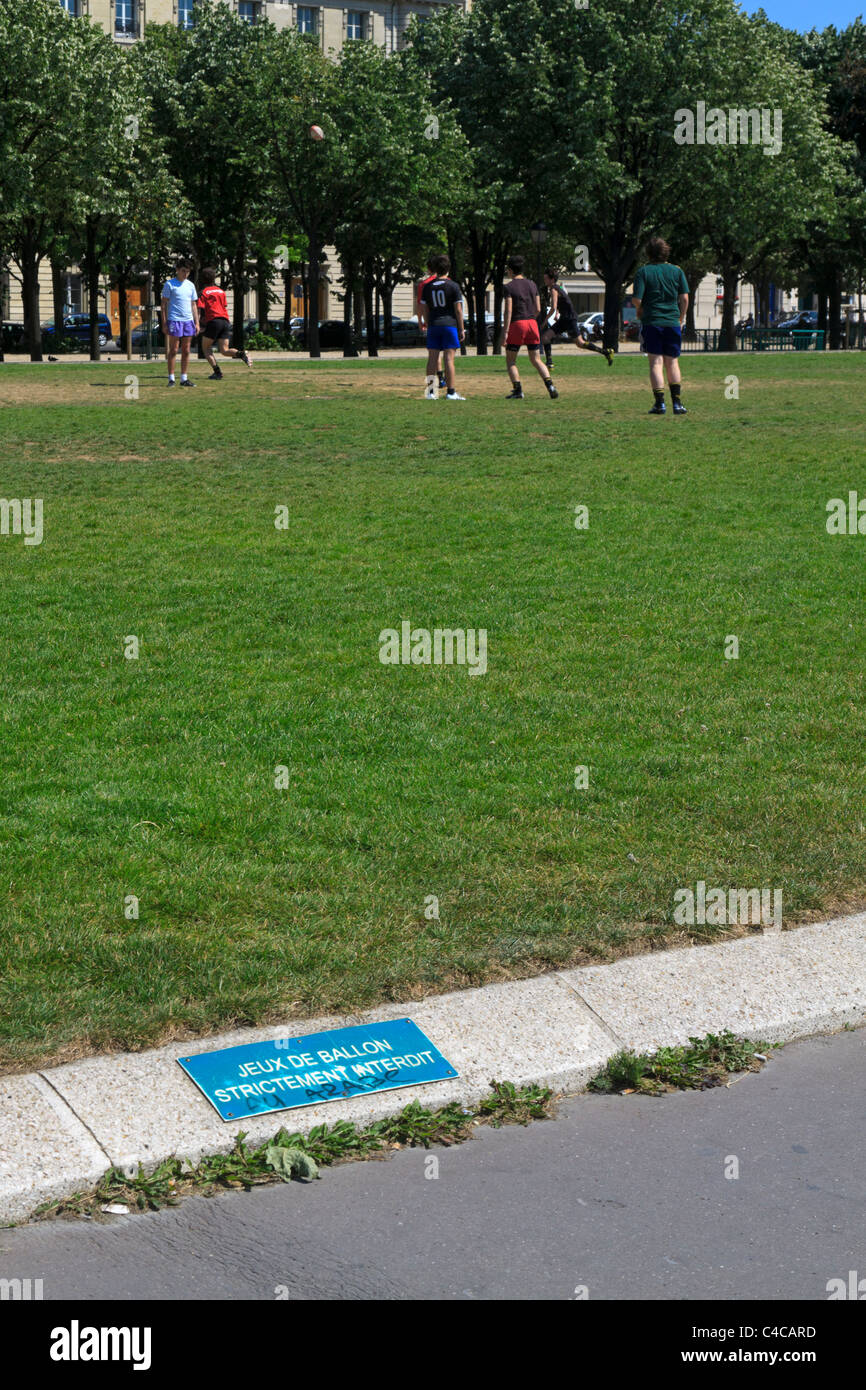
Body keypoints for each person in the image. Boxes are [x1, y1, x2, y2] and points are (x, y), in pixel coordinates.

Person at [631, 237, 689, 415]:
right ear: (666, 252)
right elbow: (685, 298)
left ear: (648, 253)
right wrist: (680, 318)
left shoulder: (643, 272)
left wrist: (639, 308)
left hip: (652, 322)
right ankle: (677, 404)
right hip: (672, 322)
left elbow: (636, 299)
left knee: (656, 362)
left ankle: (660, 404)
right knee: (672, 362)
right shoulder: (677, 271)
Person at [502, 256, 557, 399]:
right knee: (536, 360)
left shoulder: (509, 287)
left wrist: (506, 331)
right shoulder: (532, 284)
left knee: (511, 361)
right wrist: (530, 318)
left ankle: (518, 390)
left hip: (517, 324)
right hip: (532, 323)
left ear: (511, 270)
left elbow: (508, 310)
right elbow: (538, 308)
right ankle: (550, 385)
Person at [540, 269, 614, 368]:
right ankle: (549, 363)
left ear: (552, 279)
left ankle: (606, 352)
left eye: (546, 279)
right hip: (564, 319)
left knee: (580, 343)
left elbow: (553, 307)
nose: (544, 281)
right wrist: (558, 313)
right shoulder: (558, 288)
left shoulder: (554, 289)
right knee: (545, 337)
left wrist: (545, 322)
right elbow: (561, 304)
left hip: (569, 319)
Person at [420, 253, 466, 400]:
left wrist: (428, 323)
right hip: (449, 325)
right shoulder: (453, 286)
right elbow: (458, 310)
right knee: (449, 360)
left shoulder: (427, 287)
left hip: (434, 325)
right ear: (448, 268)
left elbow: (424, 309)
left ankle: (430, 392)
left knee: (432, 359)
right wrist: (461, 328)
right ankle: (451, 392)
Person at [197, 269, 253, 380]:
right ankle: (241, 354)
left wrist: (200, 325)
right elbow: (224, 306)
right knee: (224, 350)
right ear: (214, 278)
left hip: (213, 321)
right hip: (225, 321)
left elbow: (200, 309)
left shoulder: (202, 292)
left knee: (206, 348)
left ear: (202, 279)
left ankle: (217, 372)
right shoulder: (221, 291)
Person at [160, 259, 200, 387]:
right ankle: (171, 378)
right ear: (177, 270)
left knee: (186, 350)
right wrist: (164, 322)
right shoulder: (170, 284)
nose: (185, 274)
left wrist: (197, 322)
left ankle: (184, 378)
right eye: (183, 271)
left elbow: (194, 304)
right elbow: (163, 304)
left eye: (188, 272)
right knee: (174, 349)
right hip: (174, 320)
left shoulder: (190, 285)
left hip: (188, 321)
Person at [417, 256, 447, 394]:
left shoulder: (424, 285)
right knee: (448, 354)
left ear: (430, 268)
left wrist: (421, 321)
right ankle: (447, 384)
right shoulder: (448, 282)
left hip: (433, 322)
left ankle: (432, 387)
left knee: (433, 354)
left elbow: (421, 306)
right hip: (448, 322)